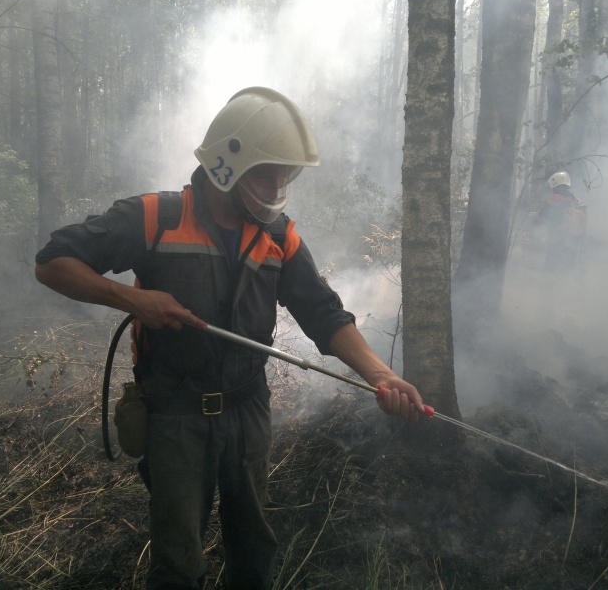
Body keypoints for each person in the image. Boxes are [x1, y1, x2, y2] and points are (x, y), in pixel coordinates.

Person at [34, 86, 425, 590]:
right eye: (268, 171)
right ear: (226, 164)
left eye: (286, 173)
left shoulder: (279, 236)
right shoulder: (154, 217)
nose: (278, 183)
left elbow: (325, 315)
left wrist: (382, 374)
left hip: (249, 412)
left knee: (254, 546)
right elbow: (52, 262)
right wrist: (134, 300)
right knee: (179, 557)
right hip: (174, 414)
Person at [539, 170, 586, 272]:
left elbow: (542, 217)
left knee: (551, 266)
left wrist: (532, 223)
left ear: (556, 185)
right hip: (573, 239)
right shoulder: (574, 200)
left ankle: (548, 284)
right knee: (568, 267)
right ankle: (564, 284)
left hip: (557, 238)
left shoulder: (554, 199)